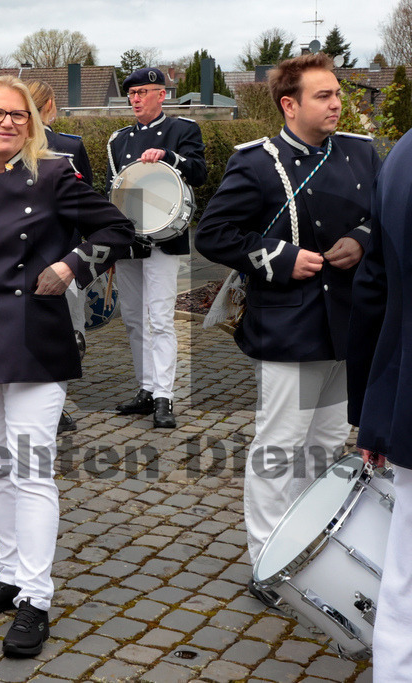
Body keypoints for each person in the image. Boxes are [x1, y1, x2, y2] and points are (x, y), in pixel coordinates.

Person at [0, 75, 134, 657]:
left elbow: (117, 229)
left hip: (36, 341)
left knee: (32, 469)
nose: (6, 123)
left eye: (17, 115)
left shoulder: (55, 174)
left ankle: (36, 598)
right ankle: (11, 574)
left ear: (31, 122)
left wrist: (69, 267)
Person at [194, 53, 379, 584]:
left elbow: (381, 215)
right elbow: (214, 234)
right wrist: (278, 258)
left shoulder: (362, 153)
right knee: (279, 444)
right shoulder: (256, 161)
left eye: (338, 94)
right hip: (290, 325)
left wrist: (362, 241)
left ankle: (314, 542)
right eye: (324, 96)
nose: (337, 103)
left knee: (325, 443)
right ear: (289, 104)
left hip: (347, 323)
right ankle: (267, 562)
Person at [346, 127, 412, 682]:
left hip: (407, 401)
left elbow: (375, 288)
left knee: (406, 579)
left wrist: (374, 409)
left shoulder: (402, 153)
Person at [107, 67, 207, 429]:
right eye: (131, 93)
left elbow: (199, 172)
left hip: (165, 238)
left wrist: (169, 156)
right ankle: (146, 389)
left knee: (161, 319)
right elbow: (115, 193)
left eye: (143, 92)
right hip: (130, 240)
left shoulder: (183, 130)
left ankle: (165, 396)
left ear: (162, 94)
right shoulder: (118, 140)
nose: (135, 98)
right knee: (134, 319)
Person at [26, 79, 94, 434]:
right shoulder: (70, 147)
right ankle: (57, 405)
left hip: (19, 257)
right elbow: (89, 205)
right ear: (51, 106)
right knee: (69, 333)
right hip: (64, 255)